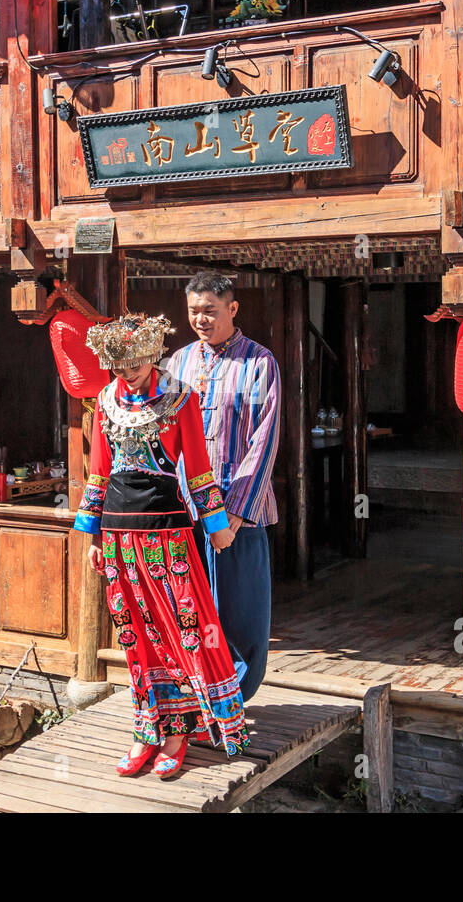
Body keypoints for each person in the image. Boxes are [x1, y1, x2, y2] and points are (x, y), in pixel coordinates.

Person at [73, 313, 249, 779]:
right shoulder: (105, 399)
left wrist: (217, 527)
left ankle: (180, 732)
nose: (126, 371)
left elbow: (199, 471)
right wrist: (93, 536)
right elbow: (98, 472)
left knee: (180, 629)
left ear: (152, 354)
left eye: (134, 361)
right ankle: (145, 727)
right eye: (118, 364)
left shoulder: (180, 399)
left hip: (168, 533)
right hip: (118, 536)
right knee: (135, 634)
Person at [165, 272, 280, 701]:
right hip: (186, 513)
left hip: (239, 516)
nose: (201, 319)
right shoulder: (176, 364)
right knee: (190, 610)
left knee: (240, 613)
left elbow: (264, 442)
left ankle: (235, 697)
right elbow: (164, 435)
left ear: (232, 309)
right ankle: (196, 696)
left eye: (210, 311)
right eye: (194, 311)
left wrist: (231, 515)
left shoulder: (259, 362)